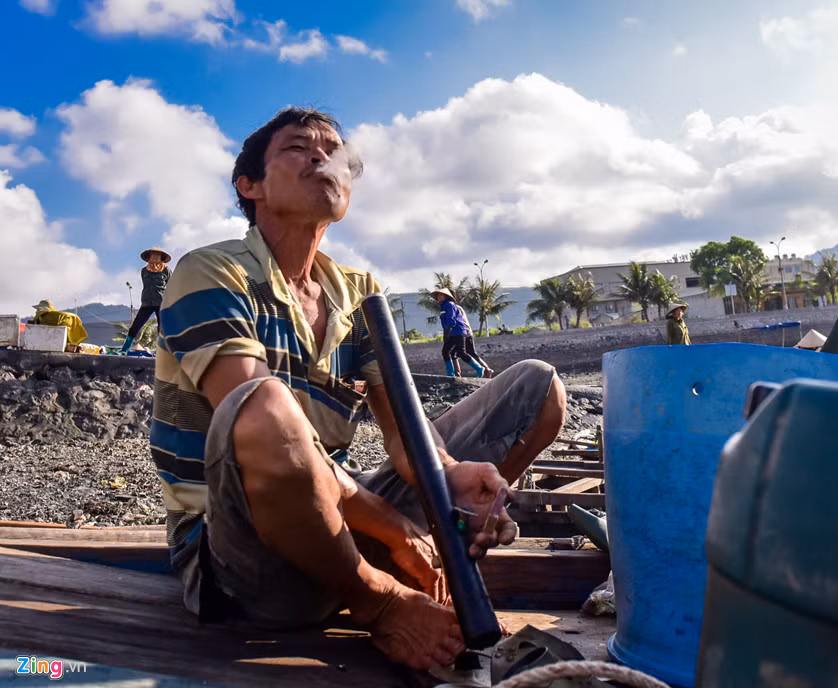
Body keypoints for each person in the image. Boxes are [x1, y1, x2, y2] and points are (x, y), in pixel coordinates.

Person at [151, 108, 567, 672]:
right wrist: (392, 526)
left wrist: (449, 474)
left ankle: (439, 553)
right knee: (265, 402)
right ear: (249, 185)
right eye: (299, 148)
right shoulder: (211, 272)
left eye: (335, 152)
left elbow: (405, 438)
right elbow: (258, 421)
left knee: (538, 387)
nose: (324, 158)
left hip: (339, 526)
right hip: (240, 557)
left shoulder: (357, 292)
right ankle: (380, 600)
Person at [120, 247, 172, 355]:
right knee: (135, 326)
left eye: (157, 255)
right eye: (153, 254)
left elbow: (171, 285)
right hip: (146, 303)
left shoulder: (167, 270)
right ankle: (124, 350)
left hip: (161, 302)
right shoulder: (144, 271)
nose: (155, 257)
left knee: (161, 328)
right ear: (149, 257)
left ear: (161, 257)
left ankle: (161, 352)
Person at [432, 288, 492, 378]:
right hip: (453, 332)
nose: (439, 297)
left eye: (441, 295)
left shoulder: (449, 305)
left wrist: (447, 332)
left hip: (458, 331)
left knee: (461, 352)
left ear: (446, 296)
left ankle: (480, 368)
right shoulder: (443, 306)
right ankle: (451, 374)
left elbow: (451, 320)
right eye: (438, 295)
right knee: (447, 352)